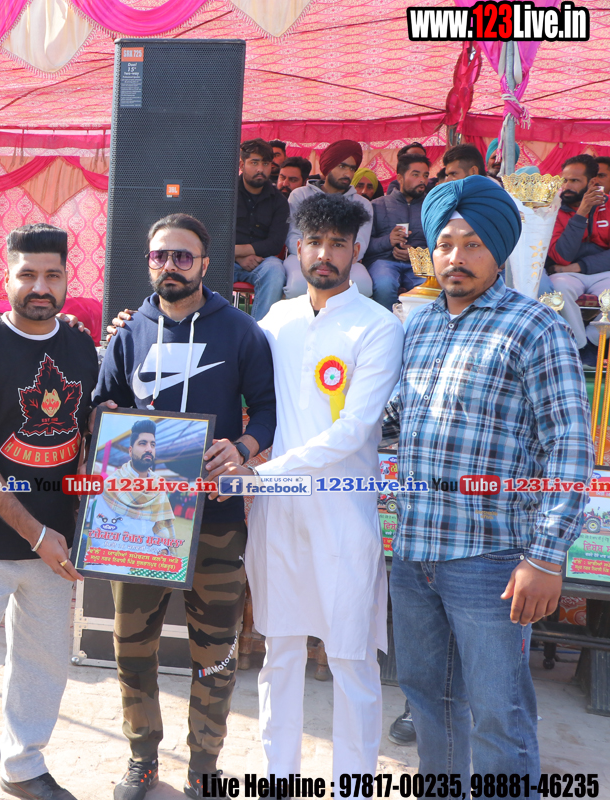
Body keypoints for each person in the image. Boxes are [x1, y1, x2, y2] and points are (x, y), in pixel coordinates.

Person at [383, 175, 593, 788]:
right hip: (414, 551)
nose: (456, 257)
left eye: (472, 244)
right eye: (445, 244)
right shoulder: (419, 327)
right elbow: (391, 417)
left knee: (499, 716)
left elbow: (569, 448)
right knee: (427, 701)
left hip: (492, 559)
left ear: (498, 250)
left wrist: (546, 557)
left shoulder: (534, 327)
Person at [212, 192, 403, 783]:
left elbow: (353, 431)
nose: (325, 254)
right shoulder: (275, 321)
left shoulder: (377, 327)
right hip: (278, 516)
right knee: (280, 653)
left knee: (351, 659)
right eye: (315, 243)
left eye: (338, 244)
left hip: (342, 515)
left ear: (355, 253)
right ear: (297, 249)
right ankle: (278, 778)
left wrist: (258, 473)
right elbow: (221, 362)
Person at [94, 212, 276, 798]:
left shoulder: (241, 331)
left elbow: (268, 411)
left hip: (216, 520)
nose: (170, 266)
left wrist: (241, 448)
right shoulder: (128, 333)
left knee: (215, 656)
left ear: (204, 263)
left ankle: (203, 767)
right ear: (148, 262)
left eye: (182, 256)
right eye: (160, 256)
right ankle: (142, 758)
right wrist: (111, 429)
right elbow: (101, 408)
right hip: (140, 519)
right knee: (133, 650)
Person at [0, 223, 96, 800]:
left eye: (52, 275)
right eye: (27, 274)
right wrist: (37, 534)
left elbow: (93, 437)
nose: (39, 286)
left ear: (66, 278)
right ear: (6, 278)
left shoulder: (81, 346)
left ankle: (24, 767)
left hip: (57, 545)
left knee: (44, 664)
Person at [86, 419, 179, 577]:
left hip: (149, 563)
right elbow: (101, 538)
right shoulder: (110, 486)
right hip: (115, 565)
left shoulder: (158, 487)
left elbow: (159, 531)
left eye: (152, 445)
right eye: (142, 443)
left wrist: (162, 550)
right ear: (130, 450)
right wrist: (136, 559)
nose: (149, 449)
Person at [284, 139, 374, 298]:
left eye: (352, 168)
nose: (348, 173)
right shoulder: (300, 195)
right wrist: (315, 256)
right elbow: (293, 236)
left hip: (344, 259)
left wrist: (333, 258)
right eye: (342, 166)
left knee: (363, 286)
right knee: (297, 286)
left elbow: (360, 243)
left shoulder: (362, 204)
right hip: (304, 256)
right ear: (328, 166)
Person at [546, 154, 610, 348]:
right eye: (564, 180)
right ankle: (577, 345)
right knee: (558, 290)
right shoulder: (554, 208)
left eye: (574, 181)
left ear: (592, 182)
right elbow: (561, 256)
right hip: (566, 275)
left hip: (603, 272)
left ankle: (592, 341)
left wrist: (580, 266)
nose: (567, 186)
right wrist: (582, 212)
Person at [365, 153, 433, 309]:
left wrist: (416, 255)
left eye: (425, 175)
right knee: (384, 285)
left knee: (428, 290)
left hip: (421, 262)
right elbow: (365, 247)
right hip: (384, 261)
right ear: (400, 178)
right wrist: (388, 241)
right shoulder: (377, 205)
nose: (422, 180)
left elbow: (440, 246)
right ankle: (388, 323)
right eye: (415, 174)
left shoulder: (431, 208)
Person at [234, 139, 289, 320]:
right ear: (242, 164)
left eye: (265, 164)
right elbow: (214, 234)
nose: (260, 169)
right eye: (254, 163)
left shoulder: (279, 201)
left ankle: (260, 331)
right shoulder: (228, 193)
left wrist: (240, 252)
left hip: (261, 262)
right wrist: (235, 256)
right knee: (202, 264)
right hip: (225, 260)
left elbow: (275, 243)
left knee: (275, 270)